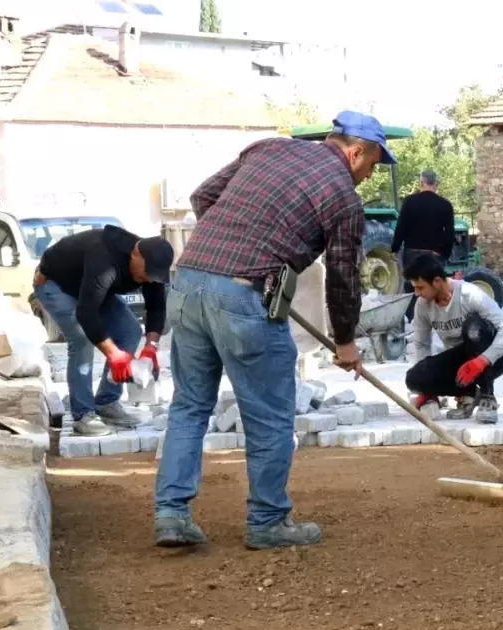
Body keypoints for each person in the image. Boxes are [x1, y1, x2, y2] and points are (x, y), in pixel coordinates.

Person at [153, 110, 394, 551]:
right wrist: (345, 343)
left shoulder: (269, 147)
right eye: (373, 164)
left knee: (189, 407)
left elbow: (203, 195)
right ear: (357, 151)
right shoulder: (342, 196)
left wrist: (232, 243)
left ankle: (171, 514)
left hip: (187, 282)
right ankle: (266, 521)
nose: (369, 175)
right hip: (244, 297)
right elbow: (342, 276)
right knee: (269, 418)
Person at [33, 225, 174, 436]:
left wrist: (150, 348)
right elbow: (86, 314)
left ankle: (107, 403)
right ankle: (83, 414)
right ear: (135, 254)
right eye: (146, 274)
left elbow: (156, 307)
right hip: (55, 284)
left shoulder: (151, 265)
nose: (148, 279)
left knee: (130, 331)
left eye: (153, 276)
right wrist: (115, 355)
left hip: (90, 289)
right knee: (81, 340)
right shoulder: (104, 259)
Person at [404, 254, 503, 425]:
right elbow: (421, 344)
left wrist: (482, 360)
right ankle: (470, 393)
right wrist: (427, 389)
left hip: (490, 358)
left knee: (474, 328)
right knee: (413, 378)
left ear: (436, 282)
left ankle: (488, 397)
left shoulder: (468, 294)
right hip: (460, 362)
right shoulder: (422, 305)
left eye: (420, 287)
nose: (417, 293)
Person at [392, 169, 455, 321]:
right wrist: (445, 254)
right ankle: (437, 322)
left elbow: (401, 227)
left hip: (412, 254)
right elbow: (450, 234)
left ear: (421, 182)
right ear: (436, 184)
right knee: (434, 288)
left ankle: (414, 323)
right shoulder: (445, 205)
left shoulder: (409, 202)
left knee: (414, 288)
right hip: (434, 255)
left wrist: (394, 249)